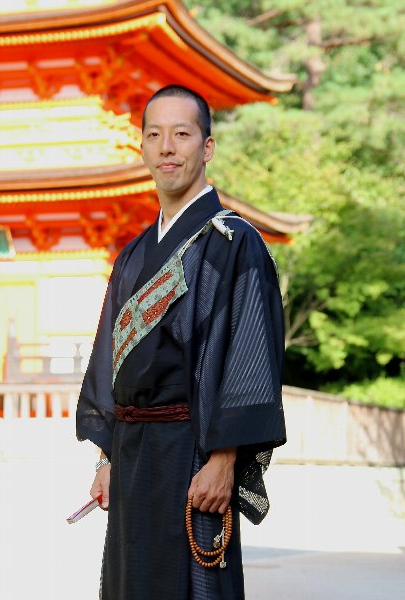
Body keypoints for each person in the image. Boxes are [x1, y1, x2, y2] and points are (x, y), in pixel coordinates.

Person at [76, 85, 286, 599]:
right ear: (144, 149)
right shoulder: (132, 256)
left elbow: (251, 355)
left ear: (206, 147)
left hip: (194, 457)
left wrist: (224, 459)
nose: (167, 147)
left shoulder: (234, 243)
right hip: (132, 456)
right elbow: (111, 361)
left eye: (182, 134)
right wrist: (106, 457)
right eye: (154, 135)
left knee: (194, 587)